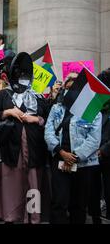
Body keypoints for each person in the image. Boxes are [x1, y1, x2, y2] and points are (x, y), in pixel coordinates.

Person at [0, 59, 50, 224]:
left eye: (25, 73)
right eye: (18, 72)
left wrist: (35, 119)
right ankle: (11, 216)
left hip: (35, 148)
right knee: (11, 184)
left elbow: (49, 120)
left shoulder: (39, 96)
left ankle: (33, 217)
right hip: (10, 148)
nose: (22, 76)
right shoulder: (3, 94)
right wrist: (8, 112)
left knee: (33, 184)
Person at [45, 72, 102, 224]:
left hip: (83, 165)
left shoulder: (93, 110)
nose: (71, 92)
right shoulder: (56, 108)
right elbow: (48, 132)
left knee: (79, 205)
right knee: (59, 202)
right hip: (59, 160)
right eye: (68, 88)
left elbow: (94, 139)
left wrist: (74, 157)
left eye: (75, 88)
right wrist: (61, 152)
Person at [88, 68, 110, 223]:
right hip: (92, 155)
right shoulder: (94, 106)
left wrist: (103, 150)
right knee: (93, 190)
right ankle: (95, 216)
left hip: (106, 155)